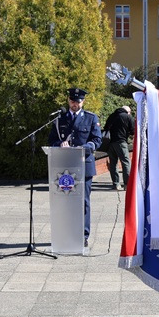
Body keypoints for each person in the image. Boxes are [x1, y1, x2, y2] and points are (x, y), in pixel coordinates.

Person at [48, 87, 102, 247]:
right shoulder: (60, 119)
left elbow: (97, 140)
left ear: (83, 101)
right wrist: (59, 143)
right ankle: (66, 232)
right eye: (72, 101)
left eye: (77, 102)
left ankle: (83, 235)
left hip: (84, 166)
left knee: (83, 202)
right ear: (68, 100)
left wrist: (85, 147)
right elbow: (52, 140)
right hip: (65, 167)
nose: (74, 104)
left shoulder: (91, 118)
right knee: (66, 201)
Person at [102, 105, 135, 191]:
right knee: (126, 163)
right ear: (128, 111)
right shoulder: (127, 117)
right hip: (121, 142)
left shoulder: (112, 116)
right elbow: (133, 131)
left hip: (110, 143)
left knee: (113, 163)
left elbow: (106, 128)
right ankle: (127, 184)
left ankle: (116, 184)